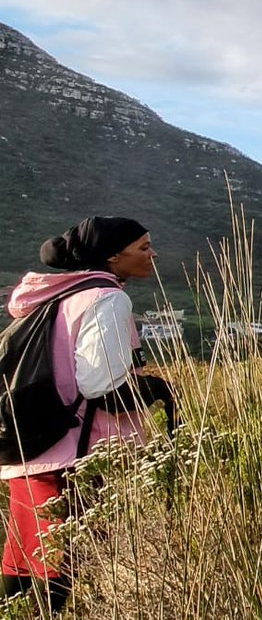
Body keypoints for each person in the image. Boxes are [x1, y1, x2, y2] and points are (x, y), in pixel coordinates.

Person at [1, 217, 174, 612]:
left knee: (22, 570)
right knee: (62, 576)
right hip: (75, 457)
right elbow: (100, 384)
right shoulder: (107, 298)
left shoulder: (55, 297)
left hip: (31, 450)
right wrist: (158, 390)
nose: (152, 254)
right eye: (144, 247)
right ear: (114, 255)